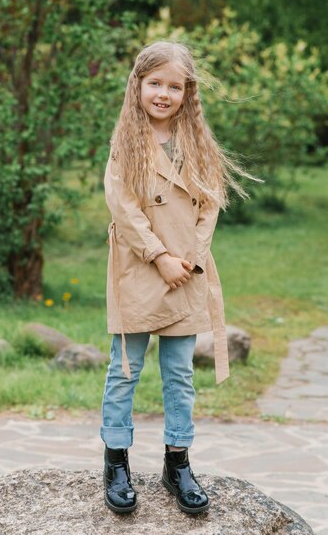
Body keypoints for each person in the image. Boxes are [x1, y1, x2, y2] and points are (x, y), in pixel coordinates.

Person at [100, 40, 256, 515]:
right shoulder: (126, 142)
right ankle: (116, 461)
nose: (164, 93)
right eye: (155, 84)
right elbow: (122, 207)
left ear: (188, 91)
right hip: (140, 269)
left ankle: (178, 462)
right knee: (124, 372)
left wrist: (189, 257)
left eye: (174, 85)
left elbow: (209, 205)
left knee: (180, 376)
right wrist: (159, 255)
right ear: (138, 86)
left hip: (186, 272)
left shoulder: (197, 143)